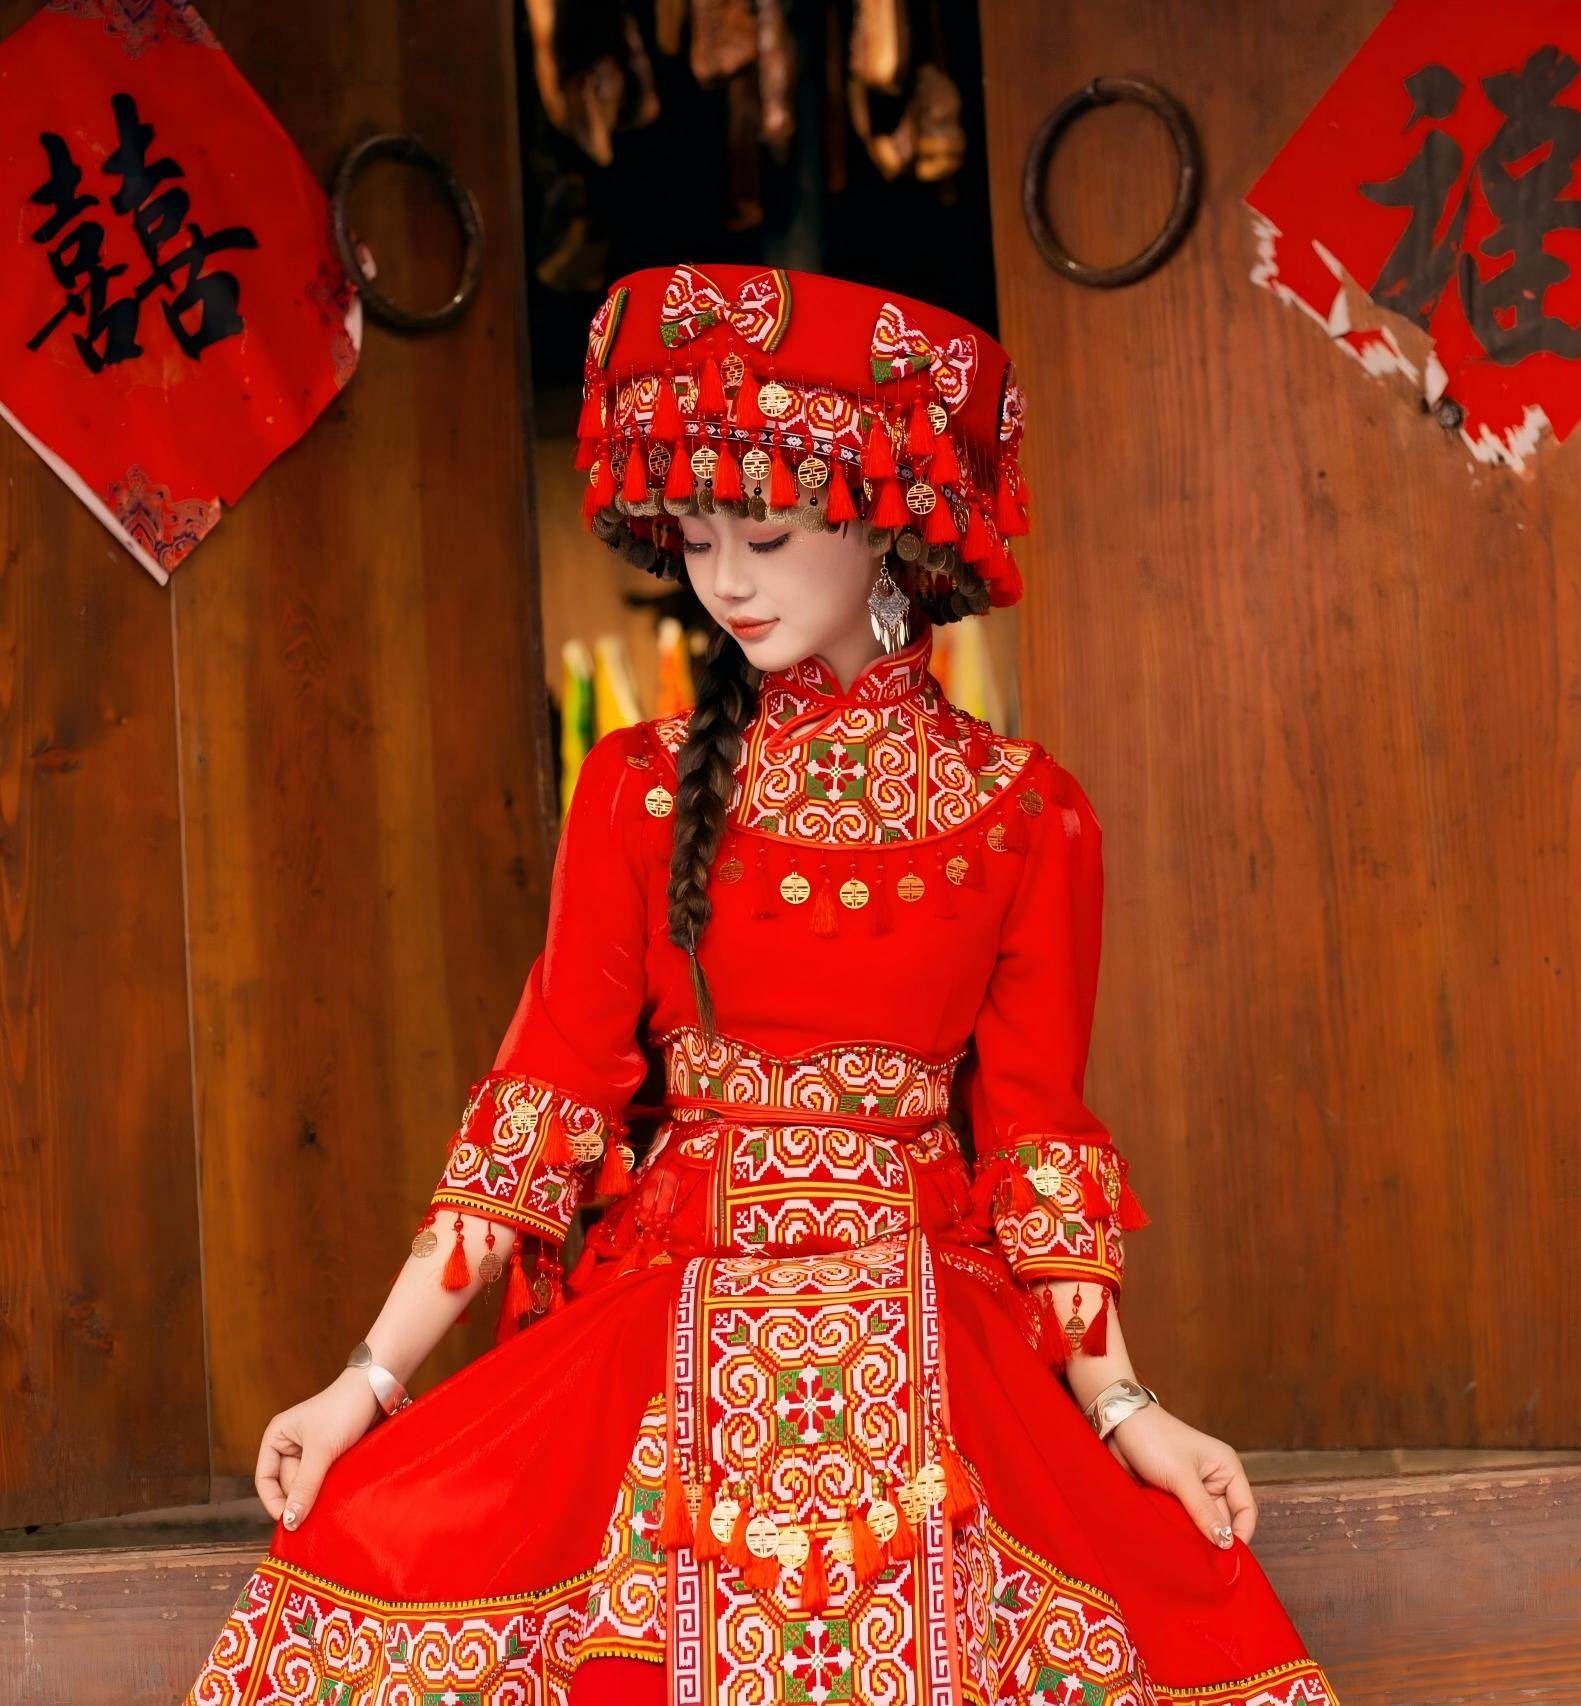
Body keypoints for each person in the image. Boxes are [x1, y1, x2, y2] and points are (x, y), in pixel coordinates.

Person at [183, 263, 1339, 1704]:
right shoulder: (637, 789)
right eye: (697, 539)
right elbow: (543, 1103)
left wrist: (1123, 1409)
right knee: (387, 1561)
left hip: (937, 1338)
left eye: (769, 535)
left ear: (887, 525)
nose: (725, 581)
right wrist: (364, 1380)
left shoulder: (1026, 814)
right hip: (666, 1321)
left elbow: (1037, 1138)